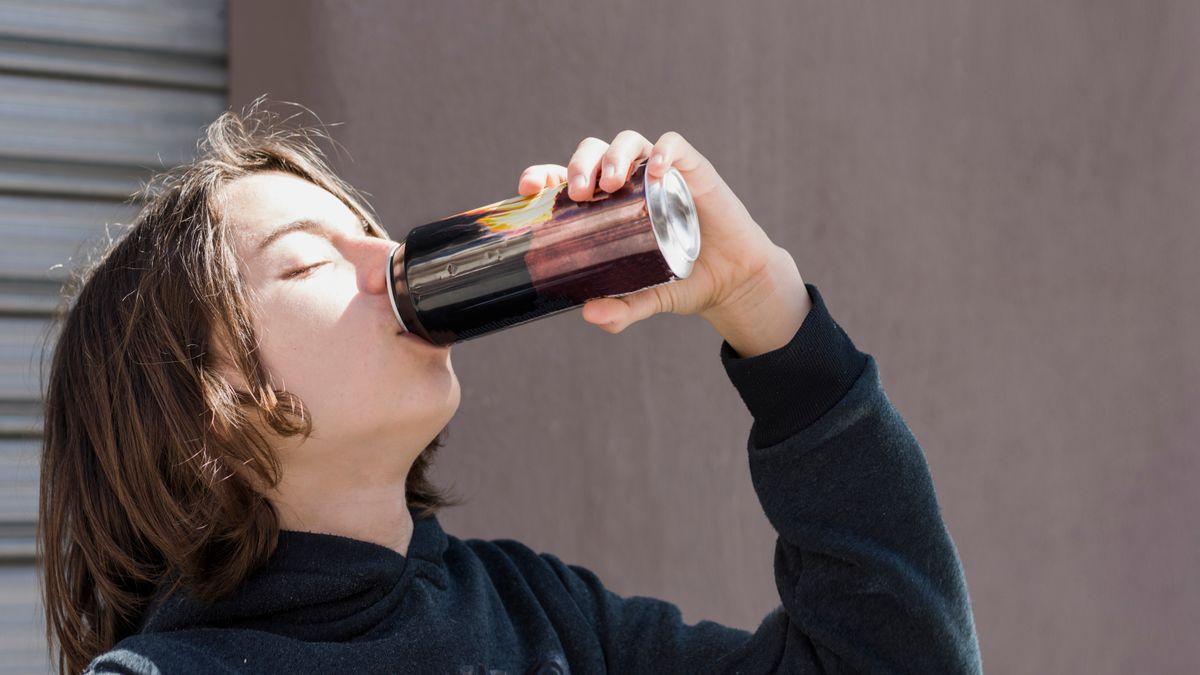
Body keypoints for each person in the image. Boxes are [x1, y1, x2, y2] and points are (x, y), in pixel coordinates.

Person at [39, 101, 982, 674]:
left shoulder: (542, 619)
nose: (391, 258)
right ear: (202, 398)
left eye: (373, 229)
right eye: (305, 265)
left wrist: (767, 309)